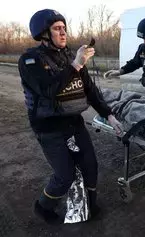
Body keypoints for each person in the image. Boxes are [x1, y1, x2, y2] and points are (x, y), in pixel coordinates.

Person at [18, 9, 122, 225]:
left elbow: (90, 90)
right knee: (64, 175)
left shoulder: (69, 56)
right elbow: (49, 90)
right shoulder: (29, 60)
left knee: (90, 166)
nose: (63, 33)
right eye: (57, 29)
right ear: (44, 34)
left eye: (64, 28)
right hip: (49, 127)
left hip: (73, 122)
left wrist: (109, 115)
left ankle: (90, 204)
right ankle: (43, 207)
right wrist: (76, 64)